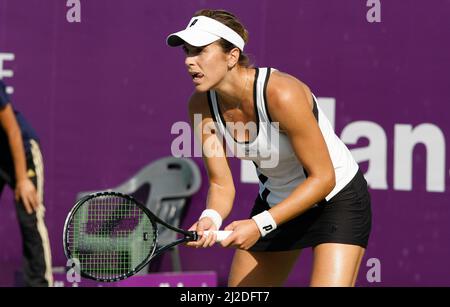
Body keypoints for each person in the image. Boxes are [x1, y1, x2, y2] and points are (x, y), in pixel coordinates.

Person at [166, 9, 372, 287]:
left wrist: (261, 224)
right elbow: (221, 184)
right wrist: (210, 218)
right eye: (187, 52)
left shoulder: (281, 94)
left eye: (200, 51)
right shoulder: (200, 106)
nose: (190, 62)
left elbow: (323, 177)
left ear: (232, 56)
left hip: (336, 200)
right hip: (277, 203)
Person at [0, 80, 53, 287]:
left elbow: (13, 130)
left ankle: (40, 283)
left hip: (21, 152)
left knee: (29, 216)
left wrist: (22, 179)